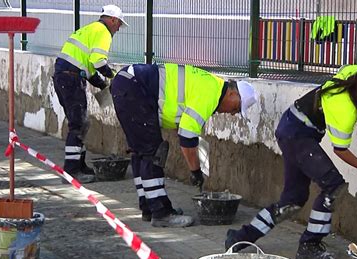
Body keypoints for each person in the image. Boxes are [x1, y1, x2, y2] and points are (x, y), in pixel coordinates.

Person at [224, 55, 357, 259]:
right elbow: (341, 150)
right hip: (297, 135)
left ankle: (240, 238)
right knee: (333, 184)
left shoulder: (356, 73)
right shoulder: (344, 107)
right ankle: (309, 245)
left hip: (293, 128)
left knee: (292, 201)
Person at [110, 63, 258, 227]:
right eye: (236, 108)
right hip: (135, 88)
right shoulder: (211, 94)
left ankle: (149, 208)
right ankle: (161, 213)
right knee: (153, 152)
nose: (232, 113)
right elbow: (187, 138)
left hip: (127, 83)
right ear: (231, 93)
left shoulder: (211, 84)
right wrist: (195, 171)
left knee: (141, 151)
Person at [52, 5, 128, 183]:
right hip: (71, 80)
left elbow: (88, 68)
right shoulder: (103, 32)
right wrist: (114, 77)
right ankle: (71, 171)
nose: (118, 29)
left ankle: (79, 165)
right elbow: (98, 61)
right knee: (78, 124)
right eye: (118, 25)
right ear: (113, 20)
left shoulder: (89, 29)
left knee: (81, 123)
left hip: (64, 77)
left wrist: (103, 85)